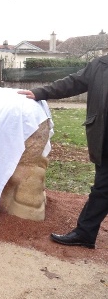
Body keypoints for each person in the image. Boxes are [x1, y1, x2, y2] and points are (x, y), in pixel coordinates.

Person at [18, 55, 108, 249]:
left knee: (103, 189)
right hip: (105, 138)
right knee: (103, 188)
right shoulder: (100, 65)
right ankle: (85, 233)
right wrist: (40, 92)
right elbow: (73, 83)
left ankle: (85, 233)